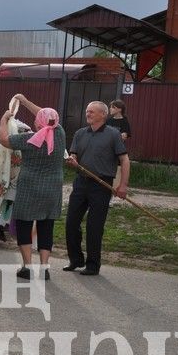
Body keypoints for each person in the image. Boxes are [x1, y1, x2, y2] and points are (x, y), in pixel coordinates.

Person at [0, 97, 66, 281]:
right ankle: (44, 267)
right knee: (46, 225)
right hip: (52, 187)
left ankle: (27, 266)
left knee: (24, 224)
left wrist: (4, 119)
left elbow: (4, 140)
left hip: (29, 187)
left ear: (38, 123)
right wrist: (26, 101)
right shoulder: (60, 134)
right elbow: (48, 115)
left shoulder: (29, 138)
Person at [64, 101, 130, 276]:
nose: (88, 114)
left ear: (103, 114)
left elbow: (124, 160)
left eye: (92, 111)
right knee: (71, 222)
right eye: (87, 111)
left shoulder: (113, 134)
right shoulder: (79, 133)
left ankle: (93, 265)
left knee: (94, 226)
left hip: (102, 184)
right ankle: (75, 259)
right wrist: (72, 159)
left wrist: (122, 185)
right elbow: (74, 154)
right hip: (81, 182)